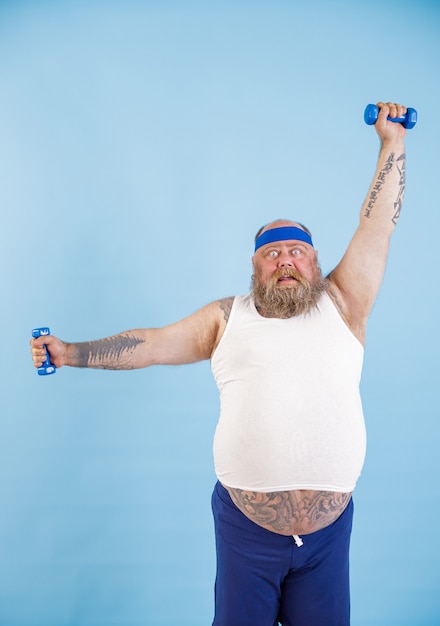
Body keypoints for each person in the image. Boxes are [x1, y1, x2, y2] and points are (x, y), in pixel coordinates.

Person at [31, 101, 408, 626]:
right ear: (254, 267)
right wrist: (71, 353)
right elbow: (151, 344)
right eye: (271, 253)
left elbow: (376, 229)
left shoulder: (344, 304)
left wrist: (392, 144)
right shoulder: (226, 317)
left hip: (328, 536)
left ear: (316, 264)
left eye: (297, 250)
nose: (285, 260)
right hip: (245, 532)